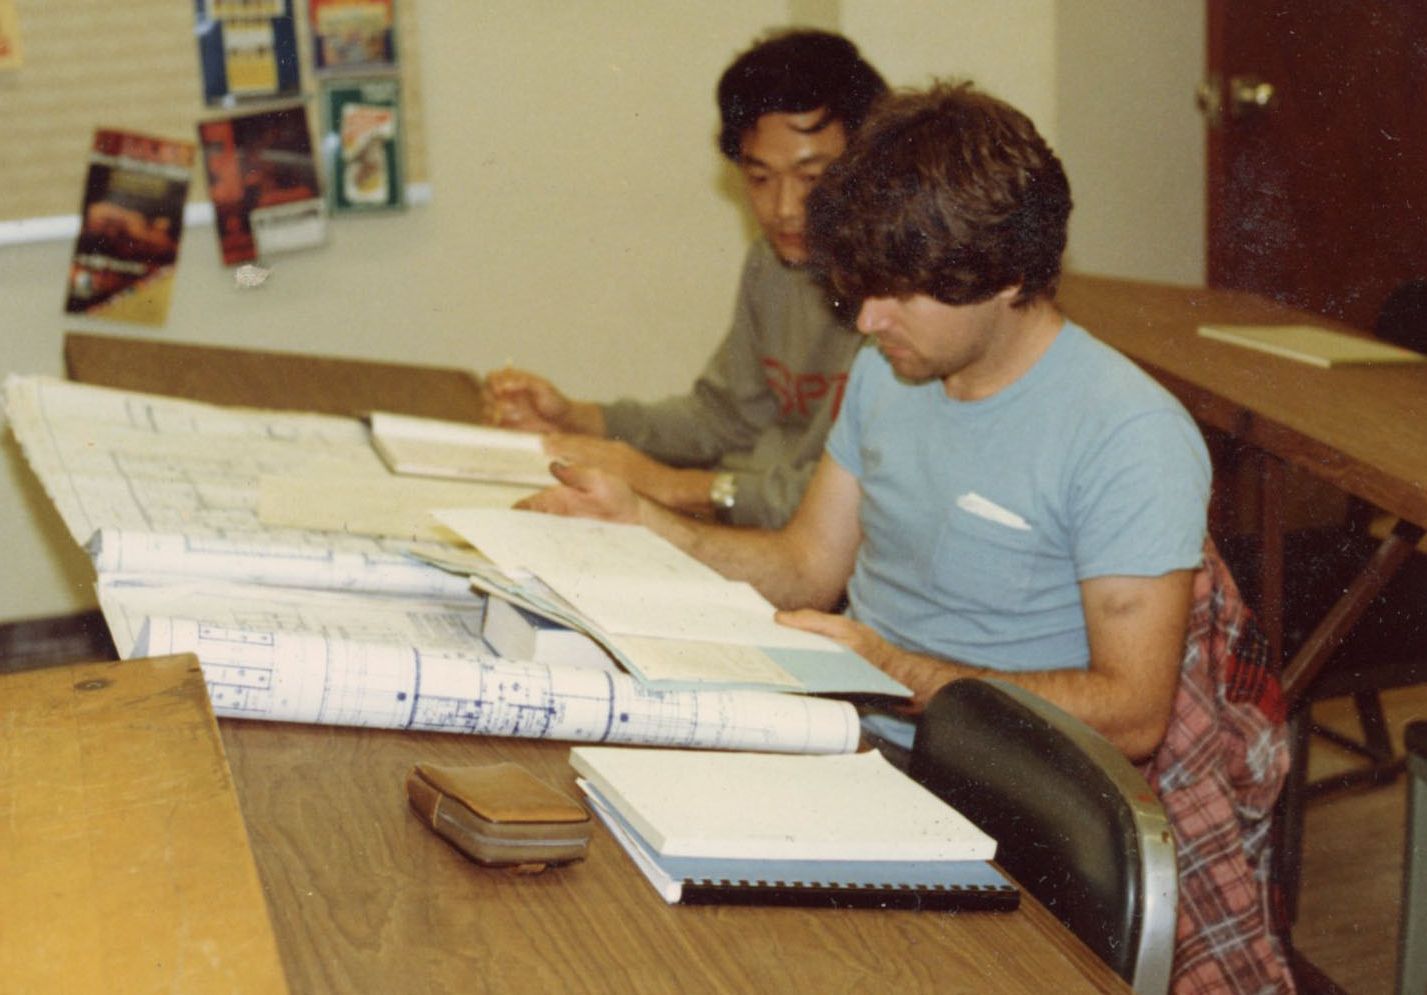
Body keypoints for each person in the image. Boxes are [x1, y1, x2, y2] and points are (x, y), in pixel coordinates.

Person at [521, 81, 1296, 994]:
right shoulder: (891, 372)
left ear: (1007, 275)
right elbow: (809, 565)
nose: (868, 319)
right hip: (877, 753)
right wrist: (648, 524)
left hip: (1013, 795)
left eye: (899, 293)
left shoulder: (1126, 431)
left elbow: (1133, 710)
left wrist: (899, 672)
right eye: (863, 290)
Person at [484, 29, 886, 528]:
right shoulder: (771, 266)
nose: (785, 209)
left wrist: (674, 486)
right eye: (760, 178)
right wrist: (578, 418)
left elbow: (860, 495)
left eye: (812, 179)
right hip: (744, 524)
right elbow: (722, 418)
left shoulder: (900, 300)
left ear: (867, 167)